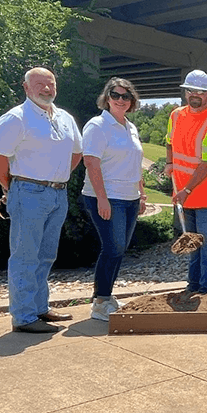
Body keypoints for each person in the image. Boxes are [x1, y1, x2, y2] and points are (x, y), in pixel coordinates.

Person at [0, 67, 83, 333]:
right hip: (27, 193)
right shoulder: (17, 118)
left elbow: (77, 152)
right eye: (39, 84)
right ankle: (24, 317)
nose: (46, 88)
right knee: (25, 256)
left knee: (46, 255)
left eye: (51, 83)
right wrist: (12, 186)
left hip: (57, 193)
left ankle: (39, 307)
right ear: (26, 88)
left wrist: (56, 177)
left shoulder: (64, 117)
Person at [81, 77, 146, 321]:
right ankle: (100, 302)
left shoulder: (130, 127)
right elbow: (91, 162)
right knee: (113, 247)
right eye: (115, 95)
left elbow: (135, 163)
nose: (120, 100)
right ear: (107, 98)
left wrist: (141, 194)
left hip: (130, 198)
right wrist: (102, 199)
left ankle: (106, 297)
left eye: (125, 96)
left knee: (119, 249)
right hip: (108, 197)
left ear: (132, 100)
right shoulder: (97, 125)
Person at [165, 70, 207, 294]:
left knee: (206, 239)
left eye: (200, 92)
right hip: (185, 192)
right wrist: (169, 163)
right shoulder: (175, 116)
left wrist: (186, 189)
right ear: (185, 93)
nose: (195, 95)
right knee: (192, 241)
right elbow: (169, 142)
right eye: (191, 90)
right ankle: (193, 285)